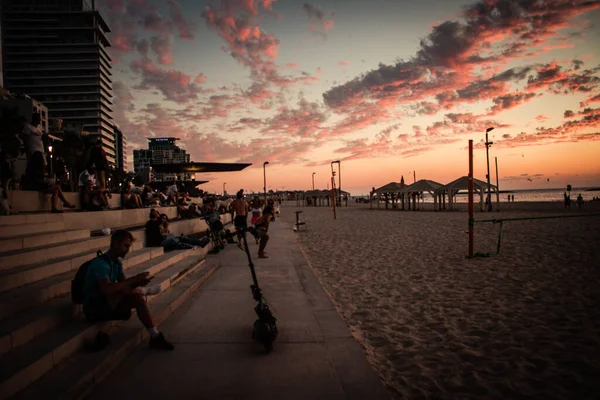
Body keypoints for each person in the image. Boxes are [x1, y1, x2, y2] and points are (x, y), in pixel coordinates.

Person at [82, 230, 174, 350]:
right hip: (93, 308)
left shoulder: (116, 263)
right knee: (124, 291)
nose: (127, 250)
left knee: (136, 298)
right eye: (125, 246)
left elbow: (124, 284)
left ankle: (155, 336)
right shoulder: (100, 264)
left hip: (108, 302)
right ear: (115, 243)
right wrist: (133, 281)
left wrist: (136, 282)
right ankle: (144, 291)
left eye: (128, 246)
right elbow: (107, 290)